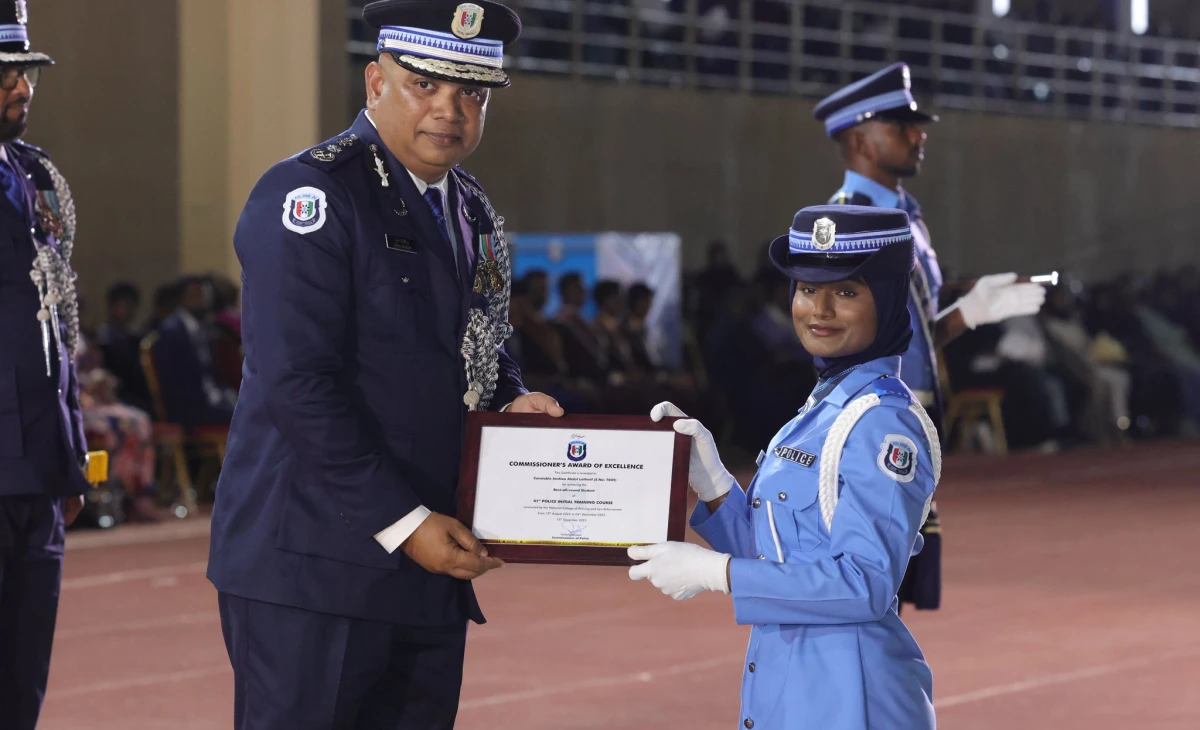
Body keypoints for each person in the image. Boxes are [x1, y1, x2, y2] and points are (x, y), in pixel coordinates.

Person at [205, 2, 563, 728]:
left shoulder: (470, 209)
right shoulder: (312, 194)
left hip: (429, 560)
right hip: (315, 564)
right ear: (375, 83)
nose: (449, 110)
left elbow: (482, 345)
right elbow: (297, 383)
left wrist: (511, 403)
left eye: (471, 92)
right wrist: (406, 522)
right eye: (424, 85)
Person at [628, 205, 941, 730]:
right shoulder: (826, 407)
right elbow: (778, 554)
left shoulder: (882, 423)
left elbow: (865, 583)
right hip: (791, 684)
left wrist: (716, 573)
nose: (819, 309)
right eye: (806, 288)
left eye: (846, 292)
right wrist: (714, 485)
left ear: (888, 300)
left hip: (851, 698)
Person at [813, 62, 1046, 611]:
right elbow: (842, 339)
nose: (919, 136)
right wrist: (969, 314)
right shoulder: (847, 222)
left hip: (906, 415)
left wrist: (972, 306)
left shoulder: (905, 216)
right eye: (901, 126)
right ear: (859, 140)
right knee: (866, 583)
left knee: (890, 588)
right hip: (866, 419)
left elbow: (910, 330)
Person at [0, 4, 92, 728]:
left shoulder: (34, 174)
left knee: (22, 676)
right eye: (3, 76)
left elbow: (58, 322)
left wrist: (72, 451)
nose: (21, 88)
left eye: (25, 72)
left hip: (38, 467)